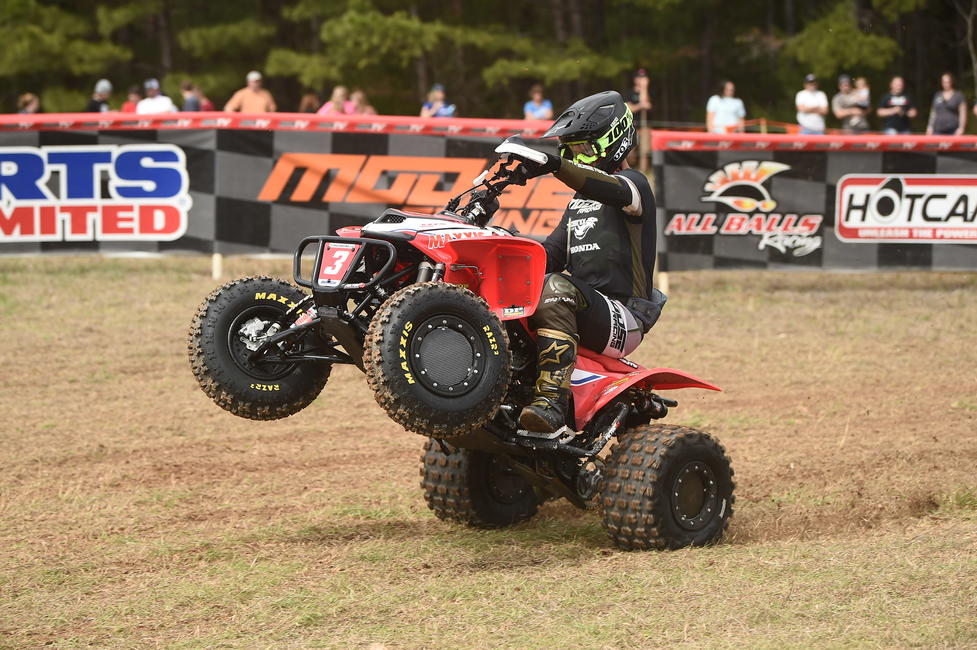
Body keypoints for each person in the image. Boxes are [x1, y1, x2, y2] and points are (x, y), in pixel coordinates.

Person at [493, 91, 665, 434]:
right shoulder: (578, 204)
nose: (577, 157)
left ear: (613, 139)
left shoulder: (634, 186)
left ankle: (551, 402)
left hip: (624, 316)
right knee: (519, 287)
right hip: (585, 308)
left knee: (556, 288)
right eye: (572, 150)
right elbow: (547, 258)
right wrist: (503, 244)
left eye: (584, 148)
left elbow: (611, 189)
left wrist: (556, 163)